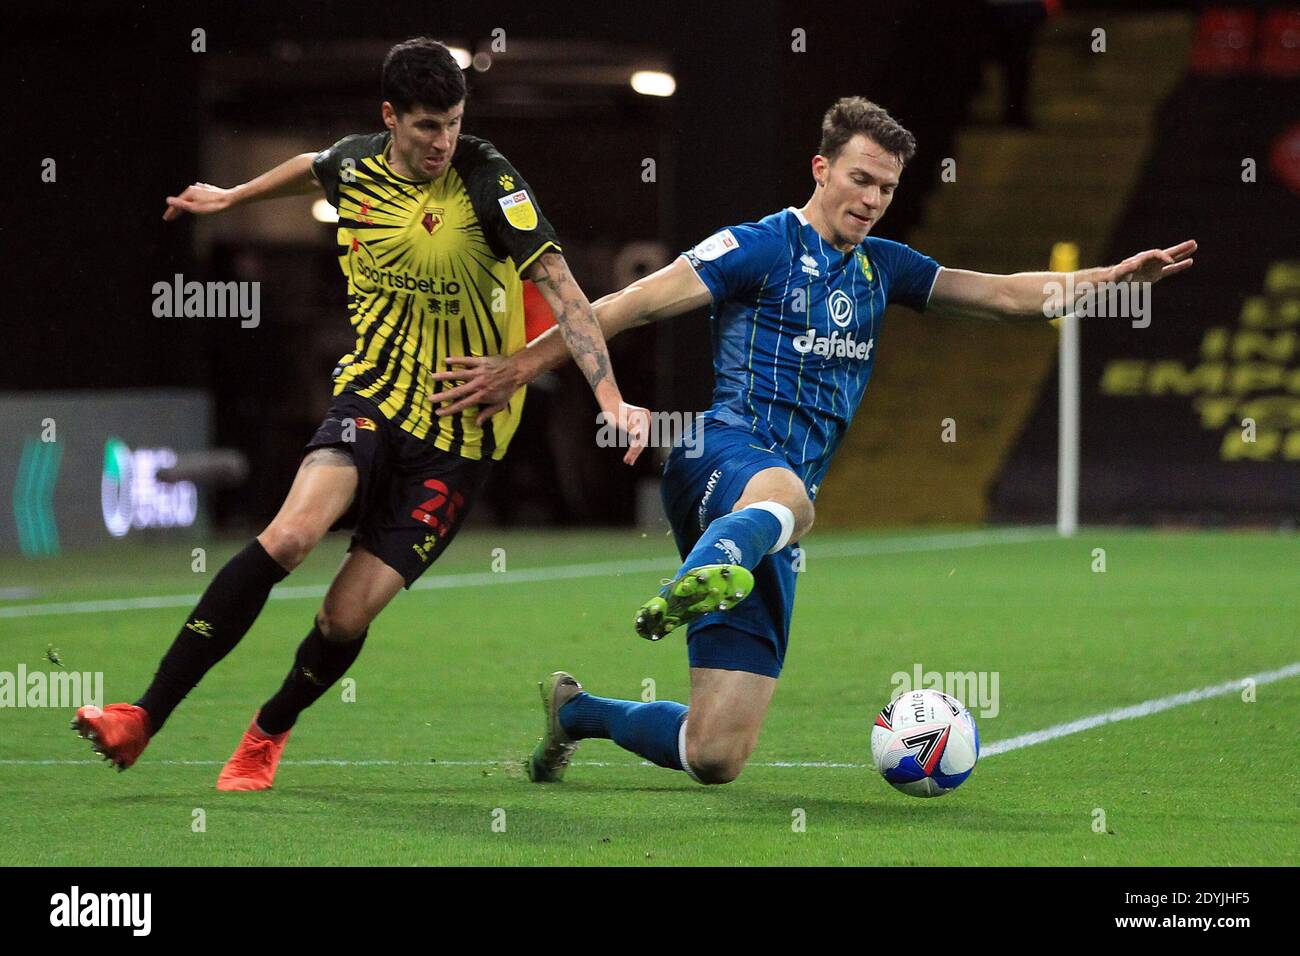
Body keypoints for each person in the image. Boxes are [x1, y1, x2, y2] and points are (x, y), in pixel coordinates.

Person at [432, 96, 1196, 786]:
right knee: (790, 498)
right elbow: (629, 302)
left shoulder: (883, 268)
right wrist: (520, 370)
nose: (871, 200)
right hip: (721, 452)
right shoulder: (758, 247)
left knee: (715, 754)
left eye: (887, 189)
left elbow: (1000, 295)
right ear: (822, 168)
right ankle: (711, 567)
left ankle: (578, 713)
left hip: (775, 515)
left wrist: (1113, 279)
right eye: (860, 179)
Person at [71, 36, 646, 791]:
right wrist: (231, 198)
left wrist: (609, 398)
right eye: (425, 127)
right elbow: (312, 165)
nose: (443, 142)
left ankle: (269, 730)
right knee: (291, 534)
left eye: (452, 122)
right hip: (373, 394)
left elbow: (565, 289)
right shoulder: (357, 164)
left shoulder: (487, 178)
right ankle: (142, 715)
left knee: (344, 620)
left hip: (461, 434)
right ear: (390, 118)